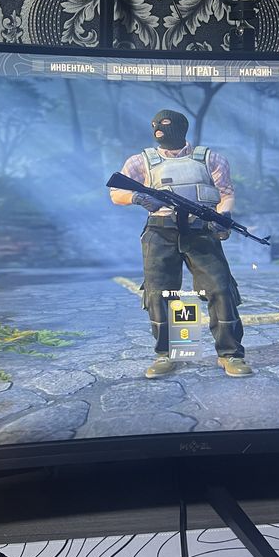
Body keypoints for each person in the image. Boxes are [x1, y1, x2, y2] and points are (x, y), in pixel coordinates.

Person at [110, 109, 252, 379]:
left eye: (165, 124)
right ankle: (168, 354)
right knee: (160, 294)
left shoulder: (209, 158)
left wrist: (223, 216)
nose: (159, 129)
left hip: (201, 230)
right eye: (155, 124)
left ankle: (230, 354)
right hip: (160, 230)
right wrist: (138, 198)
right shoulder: (141, 161)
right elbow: (116, 192)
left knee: (220, 289)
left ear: (181, 127)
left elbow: (226, 194)